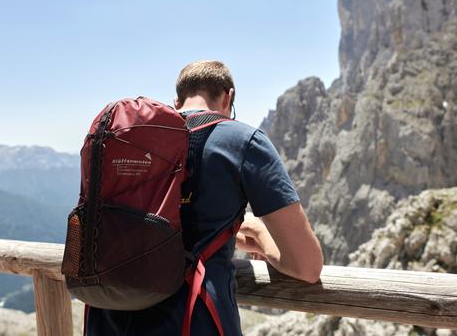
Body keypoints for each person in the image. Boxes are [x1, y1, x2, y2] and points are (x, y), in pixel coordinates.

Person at [86, 60, 323, 335]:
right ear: (228, 96)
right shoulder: (243, 142)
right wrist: (258, 230)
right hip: (192, 320)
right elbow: (307, 266)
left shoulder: (133, 142)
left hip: (109, 320)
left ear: (176, 102)